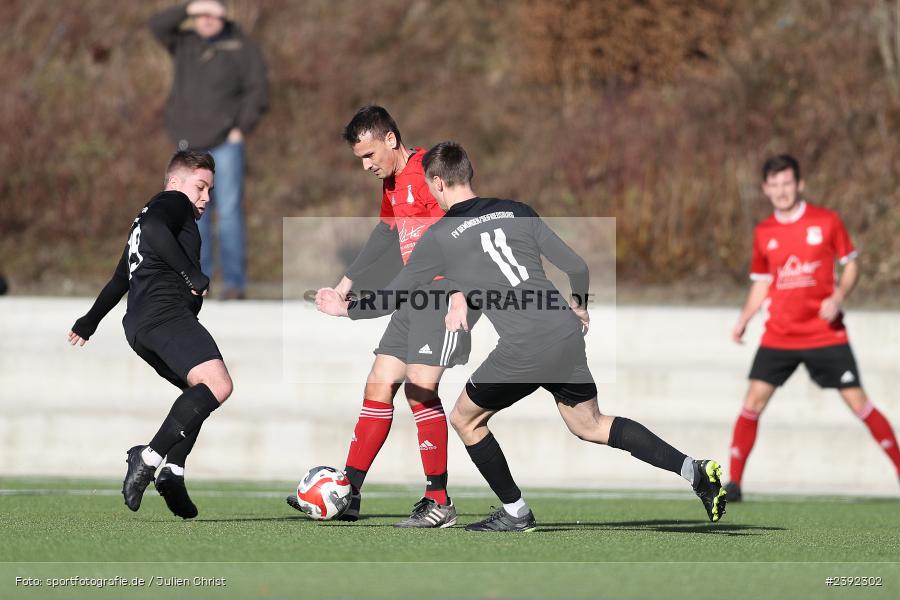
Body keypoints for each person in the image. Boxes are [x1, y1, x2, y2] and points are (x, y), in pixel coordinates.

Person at [316, 141, 727, 531]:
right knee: (590, 423)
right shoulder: (518, 211)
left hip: (524, 348)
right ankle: (694, 470)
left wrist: (347, 308)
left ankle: (515, 512)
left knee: (466, 419)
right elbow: (576, 265)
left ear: (438, 183)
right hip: (564, 332)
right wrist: (580, 304)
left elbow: (399, 294)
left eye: (430, 187)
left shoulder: (440, 235)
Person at [287, 106, 475, 528]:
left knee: (420, 391)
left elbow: (465, 231)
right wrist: (345, 284)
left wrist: (463, 293)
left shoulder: (431, 171)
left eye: (371, 155)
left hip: (443, 295)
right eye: (361, 160)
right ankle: (347, 493)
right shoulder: (392, 183)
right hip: (413, 297)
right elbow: (385, 235)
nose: (368, 165)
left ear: (391, 139)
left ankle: (438, 500)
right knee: (378, 383)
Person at [68, 151, 233, 519]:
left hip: (140, 324)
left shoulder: (145, 219)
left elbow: (119, 279)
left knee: (199, 393)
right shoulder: (172, 203)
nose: (205, 198)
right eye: (200, 187)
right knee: (218, 384)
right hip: (164, 316)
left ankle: (173, 472)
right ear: (175, 182)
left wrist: (90, 320)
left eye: (209, 190)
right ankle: (148, 458)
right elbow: (160, 233)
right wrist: (192, 273)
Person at [726, 154, 900, 501]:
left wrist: (837, 296)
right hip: (780, 335)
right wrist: (745, 318)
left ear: (800, 184)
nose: (781, 191)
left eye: (787, 183)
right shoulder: (764, 232)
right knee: (753, 401)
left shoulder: (827, 221)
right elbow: (762, 283)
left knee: (858, 402)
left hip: (825, 333)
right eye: (774, 185)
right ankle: (734, 484)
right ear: (765, 189)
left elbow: (851, 265)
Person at [150, 0, 270, 299]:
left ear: (223, 14)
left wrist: (240, 128)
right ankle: (194, 280)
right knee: (187, 213)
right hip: (187, 144)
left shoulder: (241, 47)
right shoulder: (184, 43)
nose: (205, 20)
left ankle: (233, 283)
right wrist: (190, 7)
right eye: (200, 15)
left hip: (224, 145)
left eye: (211, 13)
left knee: (228, 213)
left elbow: (259, 90)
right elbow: (157, 25)